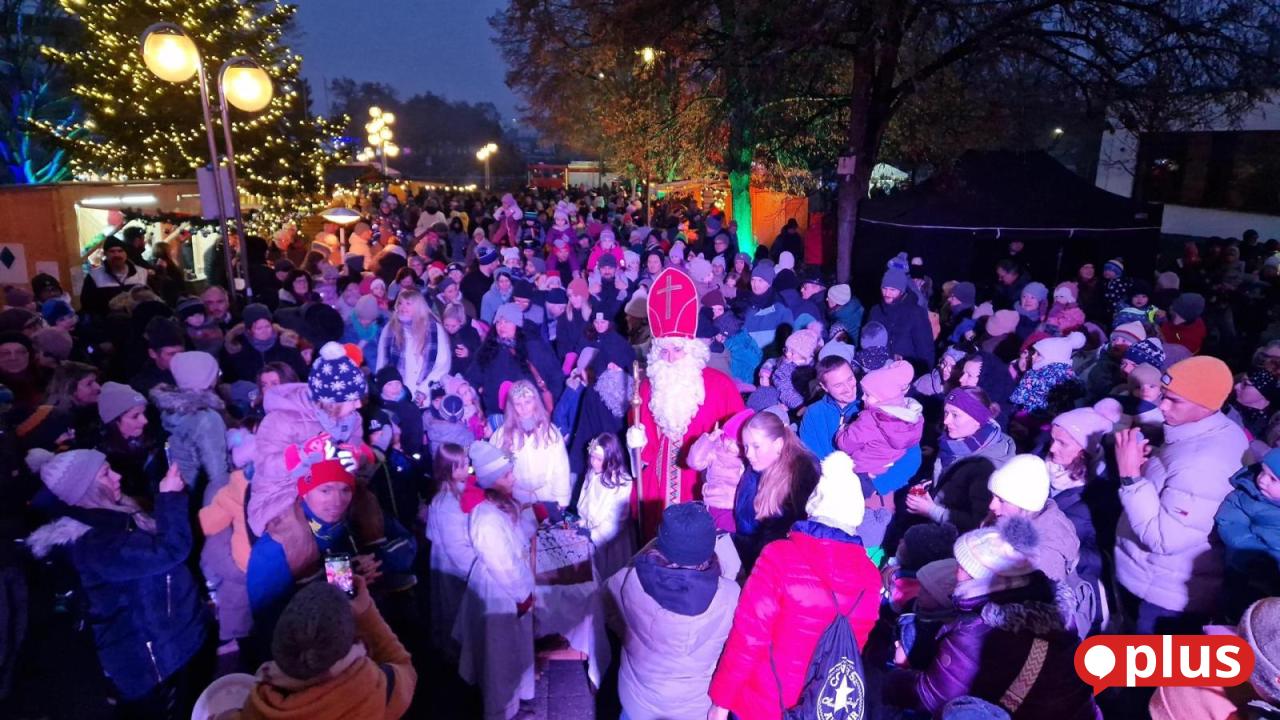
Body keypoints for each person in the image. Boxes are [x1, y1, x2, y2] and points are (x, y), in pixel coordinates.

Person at [26, 450, 210, 716]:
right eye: (105, 473)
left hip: (172, 644)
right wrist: (170, 498)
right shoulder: (96, 546)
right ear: (85, 489)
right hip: (156, 665)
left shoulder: (112, 515)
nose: (117, 476)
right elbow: (170, 551)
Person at [708, 451, 880, 720]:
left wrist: (721, 700)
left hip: (761, 705)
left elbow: (748, 636)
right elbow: (853, 647)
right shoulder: (870, 576)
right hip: (819, 706)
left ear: (815, 504)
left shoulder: (779, 557)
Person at [884, 519, 1099, 719]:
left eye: (960, 566)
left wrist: (895, 677)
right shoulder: (1056, 614)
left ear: (978, 575)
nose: (954, 572)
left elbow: (931, 698)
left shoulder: (976, 631)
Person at [1113, 355, 1249, 634]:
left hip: (1162, 596)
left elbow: (1163, 539)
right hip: (1157, 580)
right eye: (1164, 395)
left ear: (1208, 405)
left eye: (1175, 400)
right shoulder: (1206, 432)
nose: (1162, 406)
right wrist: (1155, 462)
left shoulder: (1204, 462)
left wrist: (1130, 476)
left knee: (1144, 674)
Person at [629, 268, 745, 541]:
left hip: (703, 483)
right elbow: (643, 446)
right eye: (664, 350)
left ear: (692, 350)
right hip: (657, 486)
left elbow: (738, 434)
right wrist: (636, 443)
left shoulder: (719, 385)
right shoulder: (646, 386)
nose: (670, 358)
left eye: (677, 349)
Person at [603, 503, 738, 720]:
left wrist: (631, 636)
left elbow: (609, 609)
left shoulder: (629, 580)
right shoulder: (730, 596)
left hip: (638, 703)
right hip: (693, 709)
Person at [228, 578, 415, 720]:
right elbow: (405, 668)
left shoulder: (259, 706)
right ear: (347, 646)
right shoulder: (375, 689)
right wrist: (366, 612)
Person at [454, 440, 536, 720]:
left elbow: (520, 536)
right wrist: (522, 594)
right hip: (499, 591)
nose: (513, 478)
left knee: (512, 650)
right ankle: (500, 710)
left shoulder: (501, 504)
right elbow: (503, 564)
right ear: (491, 481)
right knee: (499, 657)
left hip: (509, 587)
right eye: (506, 475)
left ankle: (515, 699)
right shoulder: (486, 517)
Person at [907, 388, 1017, 533]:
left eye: (955, 415)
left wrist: (931, 510)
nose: (946, 421)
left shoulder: (987, 467)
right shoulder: (955, 442)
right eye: (946, 412)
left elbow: (980, 522)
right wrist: (930, 484)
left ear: (978, 419)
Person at [732, 410, 821, 573]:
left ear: (778, 444)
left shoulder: (799, 479)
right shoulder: (756, 469)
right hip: (751, 557)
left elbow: (779, 541)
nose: (748, 454)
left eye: (756, 446)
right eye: (745, 446)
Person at [985, 454, 1080, 583]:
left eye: (1001, 500)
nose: (992, 506)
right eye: (993, 496)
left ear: (1026, 504)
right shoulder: (1012, 518)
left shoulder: (1044, 561)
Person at [149, 351, 229, 504]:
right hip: (206, 499)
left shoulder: (171, 410)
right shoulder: (207, 418)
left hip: (182, 493)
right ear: (208, 379)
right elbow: (217, 473)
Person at [1214, 448, 1280, 619]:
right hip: (1248, 573)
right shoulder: (1247, 496)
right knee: (1239, 614)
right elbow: (1230, 523)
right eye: (1263, 471)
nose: (1263, 480)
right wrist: (1255, 553)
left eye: (1273, 478)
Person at [425, 443, 477, 660]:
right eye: (461, 466)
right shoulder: (448, 503)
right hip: (454, 570)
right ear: (448, 470)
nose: (468, 468)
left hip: (453, 565)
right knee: (454, 613)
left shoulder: (454, 494)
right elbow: (456, 548)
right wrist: (476, 572)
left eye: (467, 463)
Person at [490, 380, 571, 507]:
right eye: (518, 404)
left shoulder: (550, 432)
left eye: (528, 402)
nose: (524, 409)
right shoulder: (503, 435)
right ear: (512, 406)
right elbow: (494, 468)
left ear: (535, 402)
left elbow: (560, 468)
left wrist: (561, 500)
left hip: (547, 496)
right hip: (517, 498)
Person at [375, 289, 451, 404]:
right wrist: (384, 388)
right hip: (396, 396)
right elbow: (382, 362)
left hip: (426, 395)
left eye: (408, 303)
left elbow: (443, 363)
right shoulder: (390, 329)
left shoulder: (434, 330)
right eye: (400, 303)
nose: (402, 307)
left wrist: (423, 390)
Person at [576, 433, 635, 579]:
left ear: (611, 460)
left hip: (611, 542)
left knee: (609, 576)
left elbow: (616, 522)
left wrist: (593, 535)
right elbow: (585, 503)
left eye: (599, 459)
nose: (594, 462)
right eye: (592, 457)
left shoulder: (622, 483)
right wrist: (582, 523)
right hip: (591, 534)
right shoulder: (592, 473)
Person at [869, 267, 935, 371]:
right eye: (884, 288)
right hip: (879, 371)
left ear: (902, 290)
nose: (887, 293)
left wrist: (923, 373)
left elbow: (926, 350)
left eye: (892, 290)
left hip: (906, 373)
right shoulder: (876, 311)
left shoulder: (916, 313)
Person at [798, 354, 862, 460]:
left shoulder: (868, 407)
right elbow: (810, 453)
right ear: (824, 387)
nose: (848, 389)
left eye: (850, 379)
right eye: (838, 385)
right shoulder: (814, 413)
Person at [225, 304, 307, 383]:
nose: (264, 331)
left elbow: (301, 374)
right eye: (259, 328)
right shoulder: (237, 349)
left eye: (267, 326)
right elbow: (231, 380)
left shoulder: (287, 345)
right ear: (249, 330)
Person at [81, 235, 149, 317]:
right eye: (112, 251)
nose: (117, 255)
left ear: (126, 253)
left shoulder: (141, 273)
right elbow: (87, 305)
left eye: (120, 251)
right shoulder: (95, 276)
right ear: (105, 254)